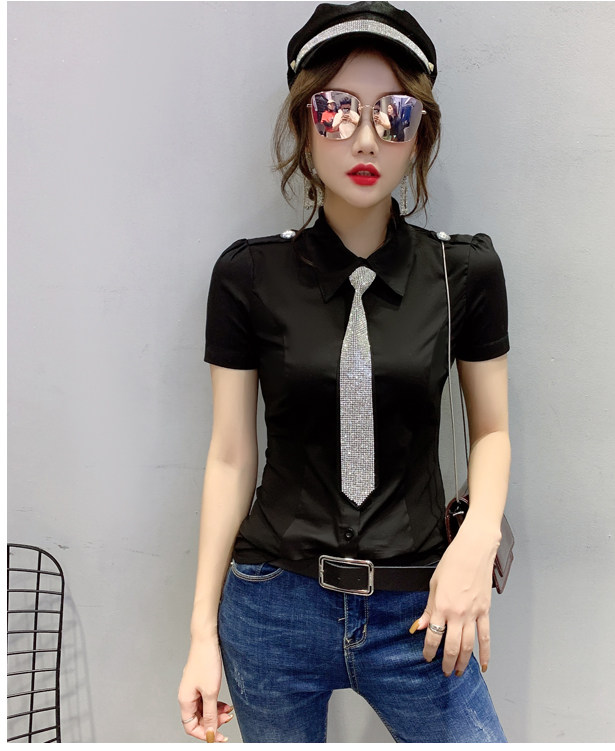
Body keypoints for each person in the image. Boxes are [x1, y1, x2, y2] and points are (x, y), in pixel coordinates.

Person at [178, 1, 511, 743]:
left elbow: (492, 431)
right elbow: (230, 455)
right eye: (336, 110)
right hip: (273, 605)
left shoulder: (463, 272)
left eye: (394, 114)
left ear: (419, 133)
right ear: (305, 125)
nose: (365, 137)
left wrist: (475, 543)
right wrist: (201, 633)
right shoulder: (247, 276)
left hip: (420, 607)